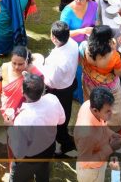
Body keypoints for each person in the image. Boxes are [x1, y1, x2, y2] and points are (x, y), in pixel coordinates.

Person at [7, 73, 65, 181]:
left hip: (29, 158)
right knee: (43, 174)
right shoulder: (53, 99)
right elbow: (62, 120)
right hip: (49, 148)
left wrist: (10, 126)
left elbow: (19, 152)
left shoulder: (22, 119)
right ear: (43, 89)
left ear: (23, 92)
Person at [39, 21, 79, 154]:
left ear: (54, 38)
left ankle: (63, 143)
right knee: (66, 112)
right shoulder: (72, 43)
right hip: (70, 83)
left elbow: (51, 81)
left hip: (59, 90)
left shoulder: (57, 62)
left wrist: (40, 69)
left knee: (59, 118)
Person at [74, 87, 121, 182]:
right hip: (91, 172)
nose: (112, 113)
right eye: (108, 111)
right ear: (95, 110)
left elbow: (102, 126)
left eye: (111, 109)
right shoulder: (87, 134)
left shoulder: (88, 104)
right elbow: (85, 163)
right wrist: (110, 148)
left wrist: (112, 134)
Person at [79, 25, 121, 130]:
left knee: (92, 101)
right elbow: (119, 73)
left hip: (89, 81)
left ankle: (93, 122)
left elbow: (81, 61)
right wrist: (113, 49)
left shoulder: (85, 46)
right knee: (113, 108)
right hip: (108, 87)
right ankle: (112, 129)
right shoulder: (114, 56)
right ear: (108, 40)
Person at [0, 46, 42, 122]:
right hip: (8, 111)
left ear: (27, 61)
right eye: (14, 63)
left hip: (25, 115)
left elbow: (38, 97)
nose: (16, 67)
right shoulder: (4, 69)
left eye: (20, 64)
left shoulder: (35, 74)